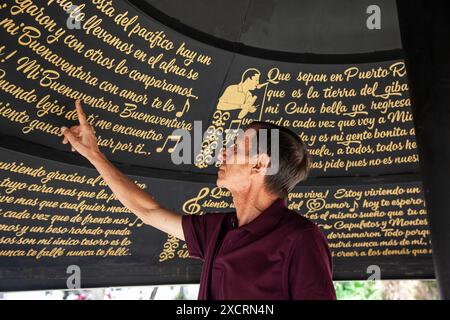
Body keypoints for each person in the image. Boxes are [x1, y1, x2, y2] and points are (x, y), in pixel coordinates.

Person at [61, 99, 336, 300]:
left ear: (259, 165)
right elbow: (148, 210)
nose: (222, 154)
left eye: (236, 147)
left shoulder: (301, 239)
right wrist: (93, 154)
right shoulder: (219, 229)